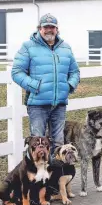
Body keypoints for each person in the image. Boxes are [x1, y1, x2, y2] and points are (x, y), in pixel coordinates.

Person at [11, 13, 80, 155]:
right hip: (37, 105)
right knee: (38, 143)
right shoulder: (28, 47)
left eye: (52, 27)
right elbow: (17, 72)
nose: (49, 30)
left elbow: (75, 72)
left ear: (57, 29)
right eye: (46, 27)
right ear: (39, 29)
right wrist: (35, 85)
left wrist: (69, 86)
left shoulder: (65, 48)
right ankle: (34, 176)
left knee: (58, 142)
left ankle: (54, 176)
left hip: (59, 104)